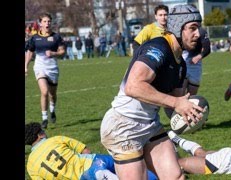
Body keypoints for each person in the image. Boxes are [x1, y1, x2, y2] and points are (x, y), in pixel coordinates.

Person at [100, 4, 204, 180]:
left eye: (199, 28)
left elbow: (174, 105)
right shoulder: (158, 48)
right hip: (123, 125)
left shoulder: (181, 64)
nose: (198, 34)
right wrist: (177, 103)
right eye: (192, 28)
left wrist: (189, 113)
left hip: (150, 125)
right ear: (178, 28)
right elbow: (133, 86)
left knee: (176, 177)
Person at [25, 122, 158, 180]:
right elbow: (85, 150)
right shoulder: (55, 140)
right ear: (40, 135)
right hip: (94, 162)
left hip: (82, 178)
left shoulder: (31, 165)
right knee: (132, 167)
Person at [25, 13, 65, 129]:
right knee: (44, 92)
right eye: (45, 21)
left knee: (53, 94)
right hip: (39, 67)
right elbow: (30, 52)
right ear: (40, 23)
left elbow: (62, 51)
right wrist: (26, 66)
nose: (47, 24)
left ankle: (52, 110)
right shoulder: (35, 38)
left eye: (49, 21)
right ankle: (44, 118)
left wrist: (54, 53)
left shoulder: (56, 37)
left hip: (52, 68)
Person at [181, 26, 211, 96]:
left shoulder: (201, 31)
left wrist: (198, 57)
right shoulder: (180, 28)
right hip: (182, 61)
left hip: (195, 64)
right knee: (180, 93)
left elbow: (207, 49)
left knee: (192, 95)